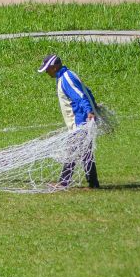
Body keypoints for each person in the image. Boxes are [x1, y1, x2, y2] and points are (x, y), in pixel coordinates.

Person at [38, 53, 100, 189]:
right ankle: (93, 183)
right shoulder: (66, 76)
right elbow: (87, 91)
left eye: (47, 69)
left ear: (54, 67)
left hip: (81, 121)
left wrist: (89, 111)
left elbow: (80, 96)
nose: (47, 72)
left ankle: (63, 182)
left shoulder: (66, 79)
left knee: (72, 151)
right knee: (85, 152)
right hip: (82, 121)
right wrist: (93, 106)